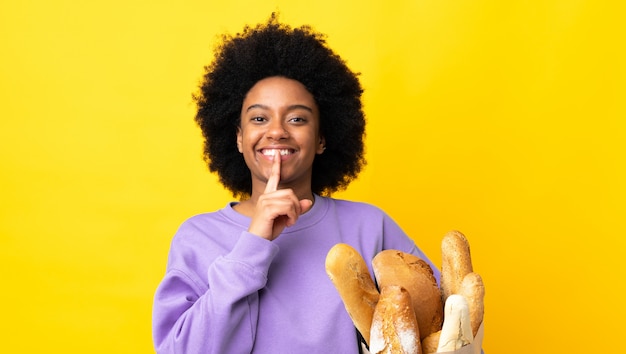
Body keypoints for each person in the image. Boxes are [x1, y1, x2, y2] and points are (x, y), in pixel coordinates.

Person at [152, 13, 440, 353]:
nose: (276, 131)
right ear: (240, 139)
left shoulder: (370, 226)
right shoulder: (197, 237)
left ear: (321, 138)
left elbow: (445, 329)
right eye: (259, 118)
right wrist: (253, 244)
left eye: (297, 118)